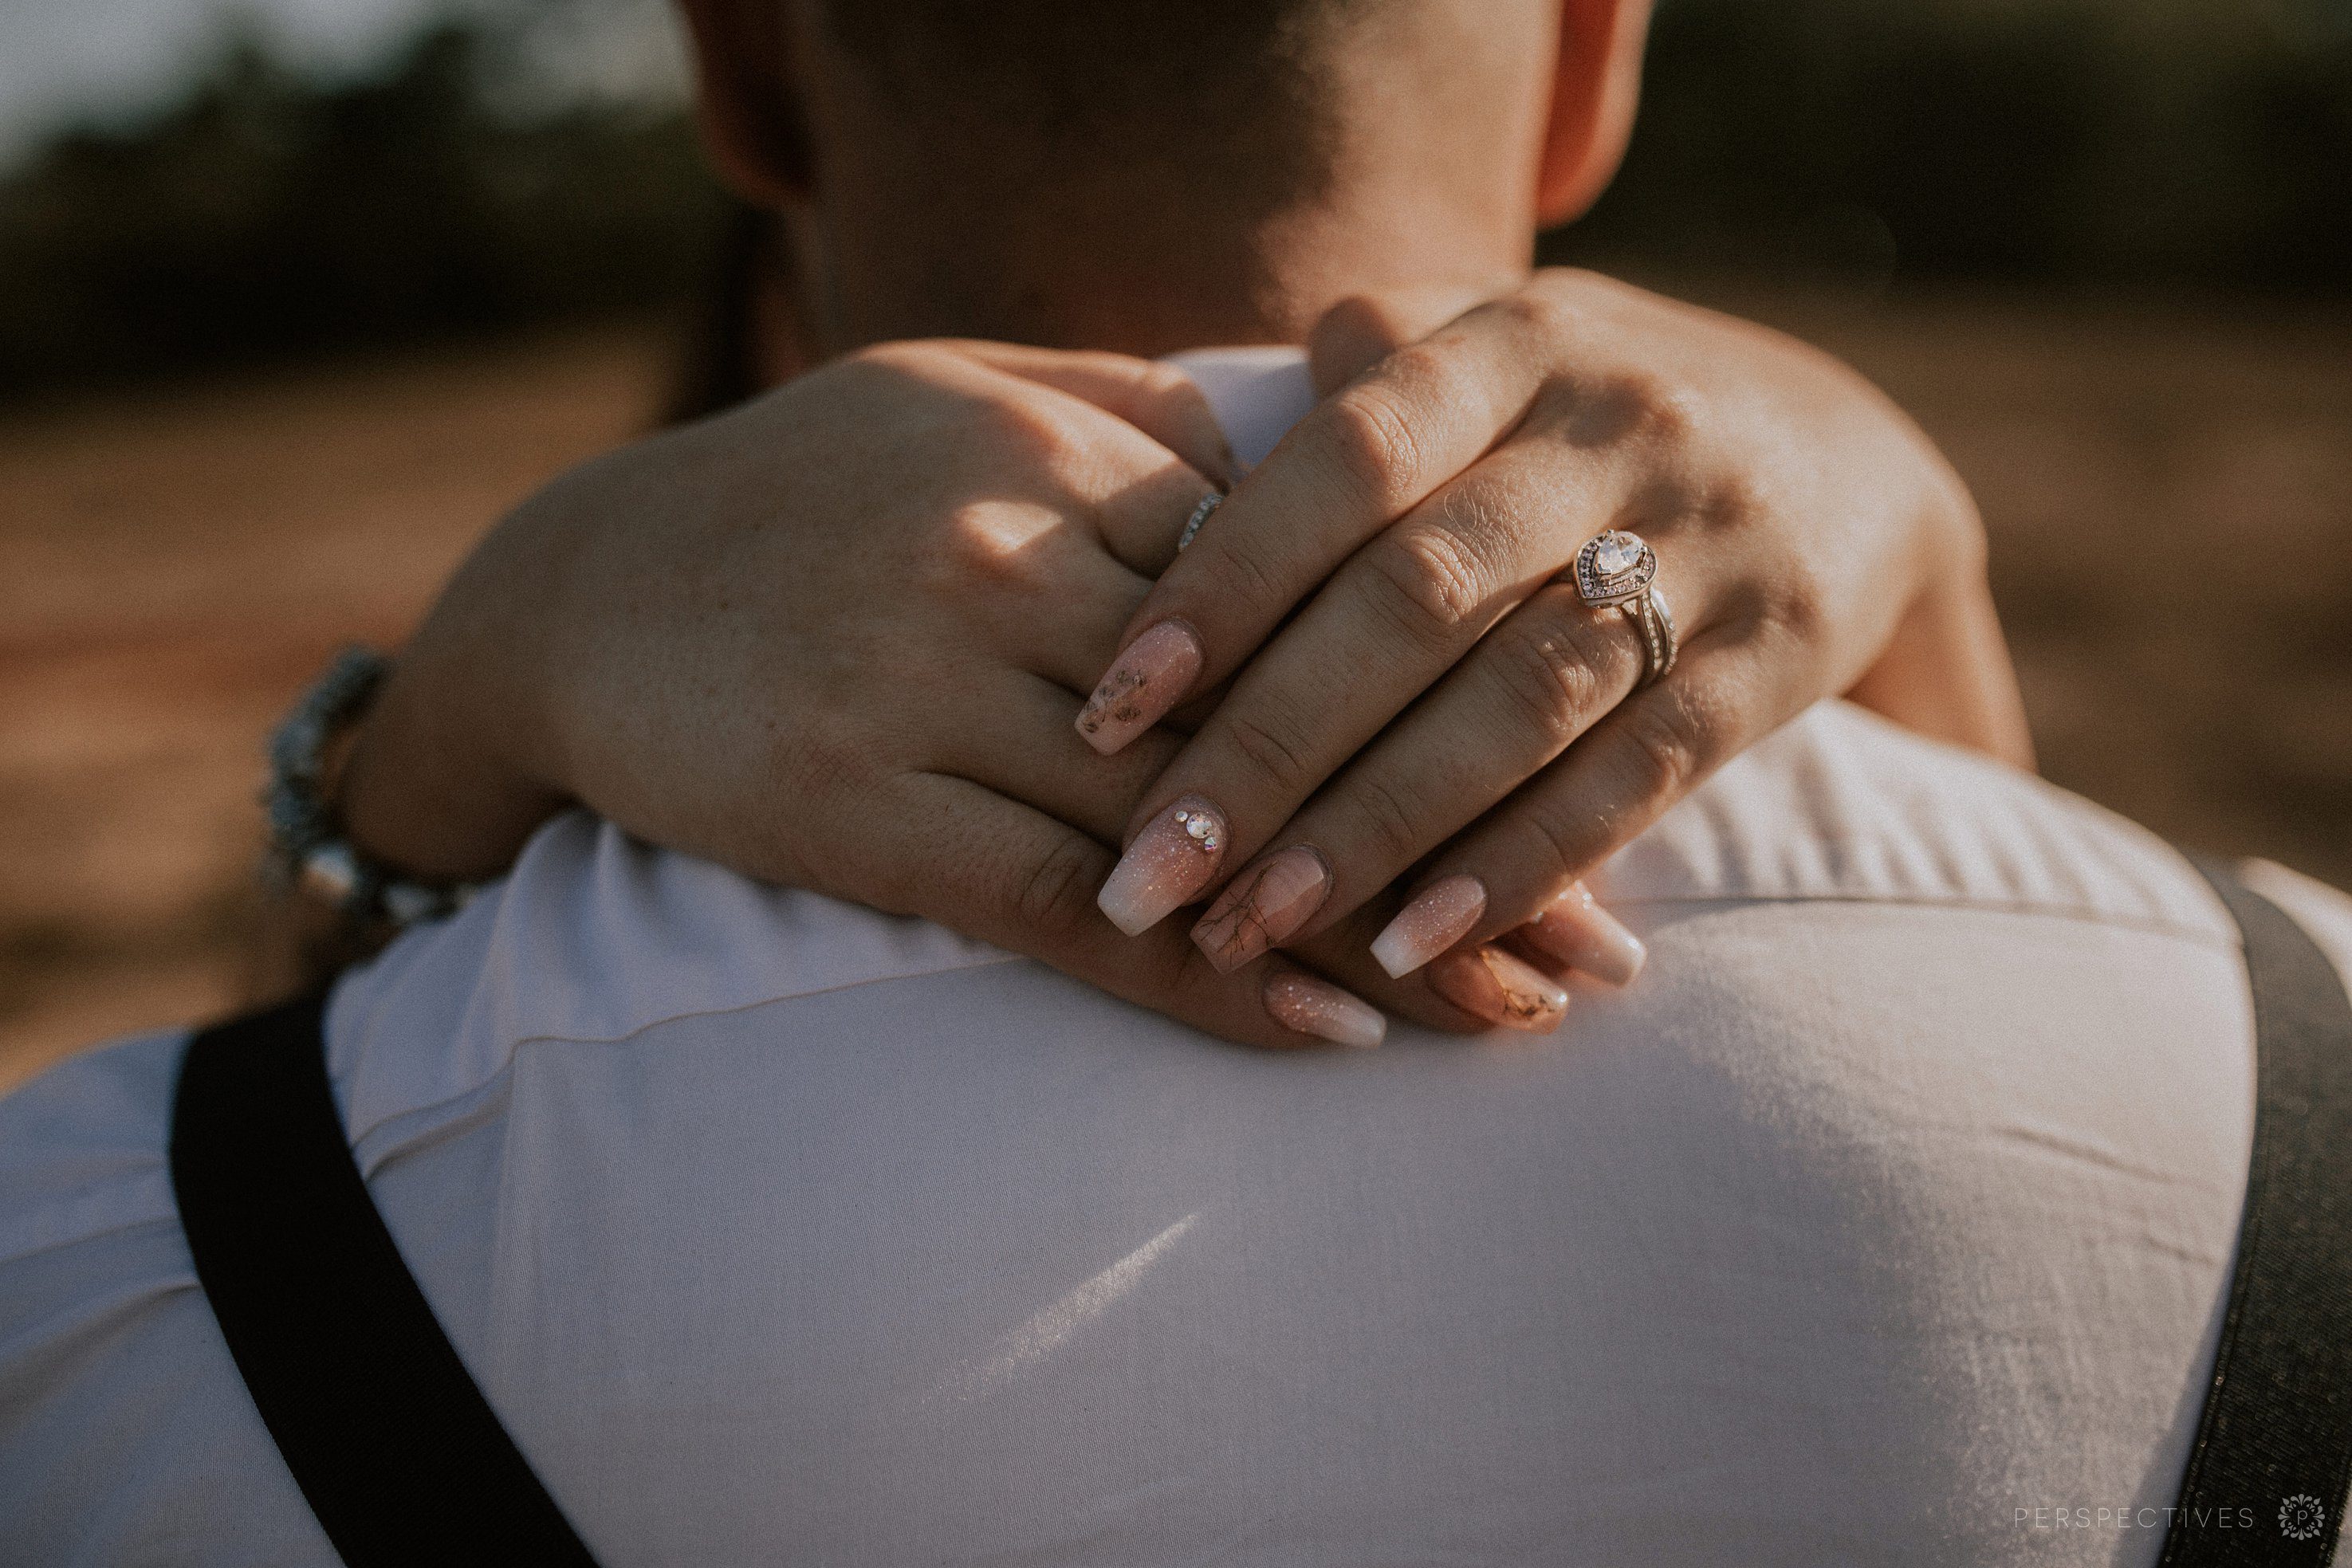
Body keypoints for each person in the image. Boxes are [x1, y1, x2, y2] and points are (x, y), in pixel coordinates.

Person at [5, 1, 2349, 1562]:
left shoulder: (95, 1273)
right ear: (1593, 65)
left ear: (746, 74)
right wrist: (1935, 567)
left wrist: (452, 698)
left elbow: (261, 1098)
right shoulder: (2310, 1036)